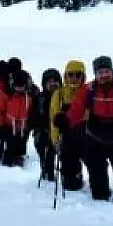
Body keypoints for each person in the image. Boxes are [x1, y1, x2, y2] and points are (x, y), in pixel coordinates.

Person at [63, 56, 113, 201]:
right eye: (100, 72)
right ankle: (101, 195)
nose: (104, 75)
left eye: (106, 71)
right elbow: (77, 108)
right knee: (96, 170)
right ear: (95, 74)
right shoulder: (89, 89)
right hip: (95, 135)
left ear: (112, 71)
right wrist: (66, 120)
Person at [50, 60, 87, 192]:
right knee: (68, 165)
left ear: (83, 76)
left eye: (78, 74)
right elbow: (53, 118)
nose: (74, 78)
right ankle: (72, 179)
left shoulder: (87, 92)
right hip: (65, 136)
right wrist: (56, 140)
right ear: (65, 76)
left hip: (85, 135)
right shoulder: (59, 94)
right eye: (70, 74)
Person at [0, 69, 36, 167]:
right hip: (8, 126)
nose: (19, 89)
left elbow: (31, 110)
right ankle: (5, 162)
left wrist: (30, 123)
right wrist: (1, 125)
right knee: (9, 144)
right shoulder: (5, 94)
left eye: (22, 87)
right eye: (17, 86)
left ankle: (19, 159)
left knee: (21, 144)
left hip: (23, 126)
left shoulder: (29, 95)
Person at [32, 69, 62, 181]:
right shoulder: (39, 98)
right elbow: (33, 115)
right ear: (44, 84)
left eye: (55, 81)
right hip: (42, 130)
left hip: (58, 130)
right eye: (49, 82)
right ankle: (46, 171)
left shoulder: (62, 96)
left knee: (59, 151)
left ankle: (65, 174)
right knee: (44, 152)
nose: (53, 84)